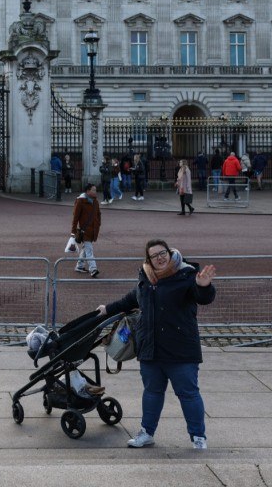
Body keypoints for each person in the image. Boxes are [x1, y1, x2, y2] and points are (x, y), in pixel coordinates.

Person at [98, 239, 216, 450]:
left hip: (180, 350)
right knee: (152, 393)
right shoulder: (146, 279)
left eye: (163, 253)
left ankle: (198, 436)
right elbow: (130, 300)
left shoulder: (187, 275)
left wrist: (204, 285)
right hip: (151, 349)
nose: (160, 258)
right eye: (154, 256)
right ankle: (147, 433)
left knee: (188, 394)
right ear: (148, 260)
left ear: (170, 253)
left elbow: (203, 297)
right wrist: (107, 309)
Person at [69, 183, 102, 278]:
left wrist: (98, 223)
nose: (95, 192)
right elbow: (75, 218)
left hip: (93, 230)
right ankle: (93, 269)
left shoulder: (95, 201)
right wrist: (73, 231)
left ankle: (79, 266)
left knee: (85, 248)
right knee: (89, 249)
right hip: (85, 231)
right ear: (88, 191)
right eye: (93, 190)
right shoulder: (80, 201)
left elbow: (98, 214)